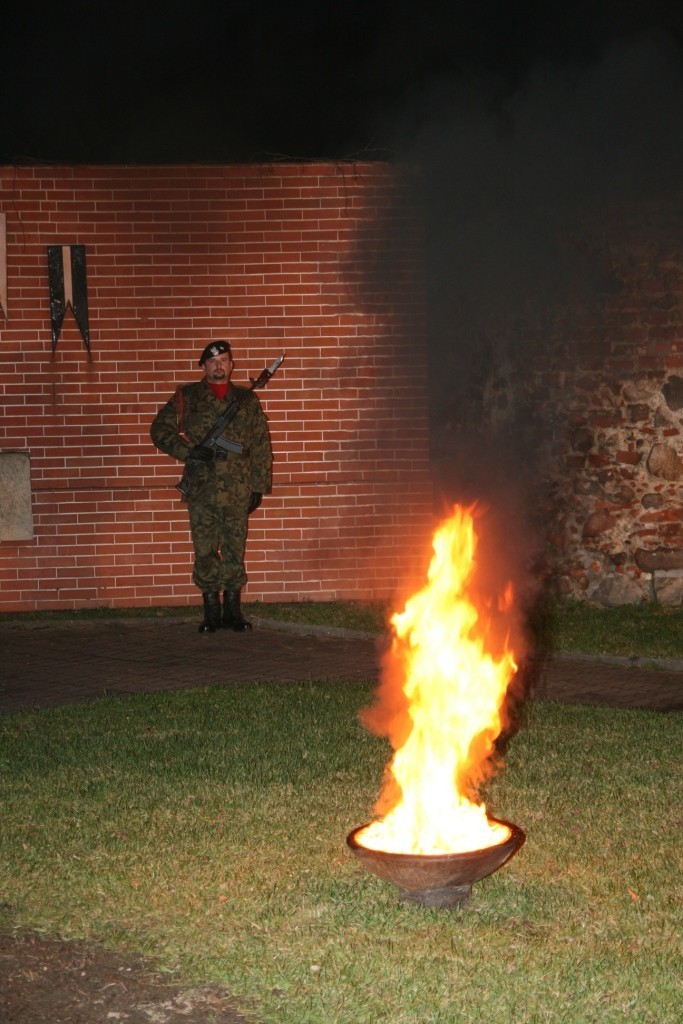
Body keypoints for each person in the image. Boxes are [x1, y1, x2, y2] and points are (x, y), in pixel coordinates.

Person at [150, 340, 273, 634]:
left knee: (234, 548)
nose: (219, 366)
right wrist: (188, 452)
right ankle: (211, 612)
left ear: (232, 365)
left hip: (237, 486)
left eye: (225, 360)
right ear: (204, 366)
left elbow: (260, 444)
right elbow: (159, 430)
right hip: (203, 485)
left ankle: (233, 610)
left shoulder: (246, 399)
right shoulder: (187, 396)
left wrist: (258, 485)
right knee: (204, 549)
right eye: (212, 361)